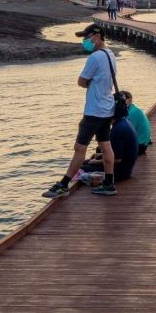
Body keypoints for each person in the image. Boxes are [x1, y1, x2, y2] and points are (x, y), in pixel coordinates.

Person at [43, 24, 118, 197]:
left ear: (97, 36)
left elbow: (81, 81)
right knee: (105, 146)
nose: (85, 41)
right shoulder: (110, 54)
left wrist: (88, 83)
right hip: (107, 109)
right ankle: (109, 183)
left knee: (79, 148)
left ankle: (63, 185)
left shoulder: (95, 57)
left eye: (87, 37)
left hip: (94, 111)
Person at [81, 111, 138, 182]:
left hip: (120, 172)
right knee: (86, 162)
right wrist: (100, 155)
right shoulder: (125, 122)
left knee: (82, 167)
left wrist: (96, 162)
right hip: (126, 167)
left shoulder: (117, 130)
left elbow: (117, 159)